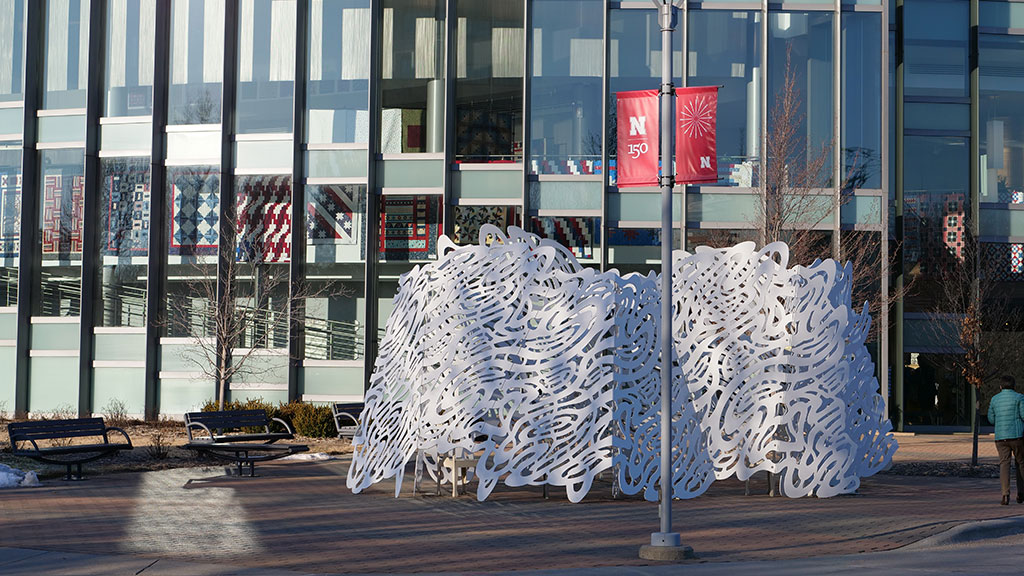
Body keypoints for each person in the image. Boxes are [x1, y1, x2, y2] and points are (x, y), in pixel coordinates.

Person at [987, 375, 1024, 505]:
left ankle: (1005, 495)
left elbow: (991, 419)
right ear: (1014, 385)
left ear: (1001, 386)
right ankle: (1021, 493)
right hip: (1017, 436)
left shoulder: (994, 399)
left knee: (1004, 464)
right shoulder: (1019, 397)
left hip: (1001, 437)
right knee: (1020, 463)